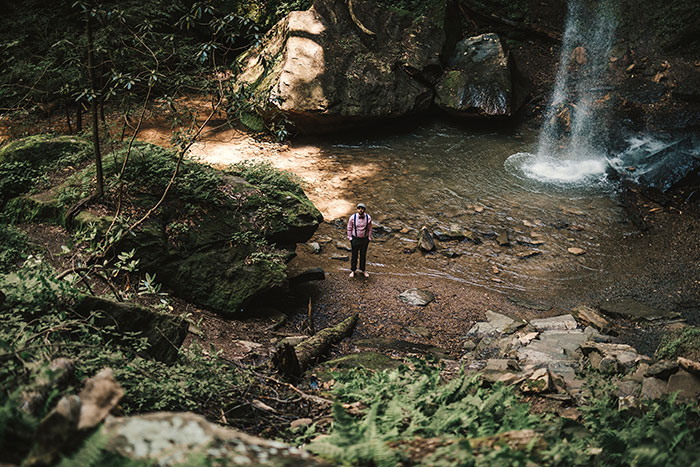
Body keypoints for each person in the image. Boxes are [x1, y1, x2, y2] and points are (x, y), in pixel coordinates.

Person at [347, 203, 372, 278]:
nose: (361, 210)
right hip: (355, 238)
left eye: (362, 208)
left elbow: (370, 228)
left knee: (363, 255)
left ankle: (363, 270)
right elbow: (349, 227)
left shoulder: (368, 218)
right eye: (359, 208)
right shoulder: (352, 217)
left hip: (364, 239)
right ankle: (353, 270)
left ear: (364, 210)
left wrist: (369, 237)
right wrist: (350, 238)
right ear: (357, 209)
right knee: (354, 255)